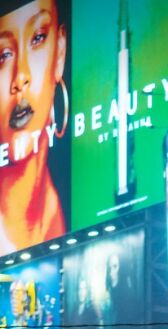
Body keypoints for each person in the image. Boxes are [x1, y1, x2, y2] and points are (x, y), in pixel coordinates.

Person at [0, 0, 68, 253]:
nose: (21, 77)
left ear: (59, 52)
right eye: (4, 55)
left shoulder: (65, 214)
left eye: (38, 38)